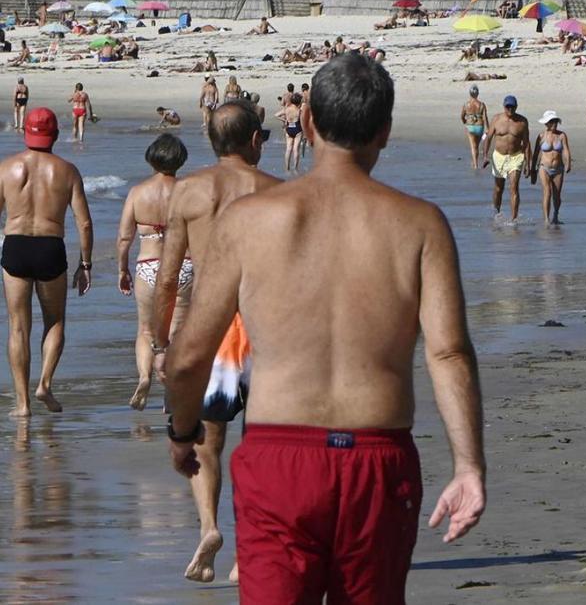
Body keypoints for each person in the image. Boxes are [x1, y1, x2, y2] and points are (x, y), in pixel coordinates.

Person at [162, 55, 485, 600]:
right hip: (378, 459)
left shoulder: (249, 221)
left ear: (307, 122)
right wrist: (468, 465)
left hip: (279, 460)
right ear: (385, 129)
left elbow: (190, 355)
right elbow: (449, 354)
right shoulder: (422, 224)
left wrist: (182, 431)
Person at [152, 100, 282, 583]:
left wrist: (160, 341)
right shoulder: (278, 192)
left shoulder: (188, 192)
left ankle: (209, 526)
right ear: (254, 141)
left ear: (211, 142)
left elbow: (168, 278)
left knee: (206, 439)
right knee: (262, 443)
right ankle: (249, 549)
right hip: (267, 324)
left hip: (214, 326)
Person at [0, 108, 93, 417]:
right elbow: (85, 225)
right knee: (55, 321)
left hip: (15, 247)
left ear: (26, 130)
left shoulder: (7, 168)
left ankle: (23, 404)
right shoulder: (67, 171)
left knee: (18, 327)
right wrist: (86, 265)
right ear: (53, 134)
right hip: (51, 248)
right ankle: (45, 384)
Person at [116, 134, 191, 411]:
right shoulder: (188, 191)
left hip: (148, 266)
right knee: (177, 331)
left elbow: (125, 238)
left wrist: (122, 269)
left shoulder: (138, 192)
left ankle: (146, 376)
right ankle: (171, 391)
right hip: (183, 264)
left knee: (146, 330)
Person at [481, 95, 532, 221]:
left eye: (512, 107)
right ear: (504, 107)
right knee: (499, 188)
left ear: (516, 107)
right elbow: (488, 138)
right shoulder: (496, 119)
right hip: (499, 156)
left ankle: (513, 219)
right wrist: (485, 156)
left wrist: (528, 163)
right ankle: (496, 212)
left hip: (516, 156)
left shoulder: (522, 122)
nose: (510, 109)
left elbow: (526, 143)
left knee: (514, 187)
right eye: (508, 107)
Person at [532, 110, 572, 225]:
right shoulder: (541, 136)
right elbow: (536, 154)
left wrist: (568, 162)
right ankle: (546, 219)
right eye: (552, 122)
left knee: (557, 195)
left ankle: (555, 216)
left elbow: (566, 150)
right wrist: (532, 170)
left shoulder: (561, 135)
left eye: (555, 121)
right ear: (546, 123)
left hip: (558, 169)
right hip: (544, 168)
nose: (554, 124)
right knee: (547, 192)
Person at [461, 85, 489, 170]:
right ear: (477, 94)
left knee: (473, 146)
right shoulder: (482, 105)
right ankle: (474, 163)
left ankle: (475, 165)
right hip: (479, 126)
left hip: (470, 126)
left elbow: (462, 116)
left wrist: (465, 122)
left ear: (470, 93)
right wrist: (488, 128)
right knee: (476, 145)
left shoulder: (466, 104)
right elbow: (485, 117)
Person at [275, 94, 304, 174]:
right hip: (297, 129)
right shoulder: (299, 111)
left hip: (289, 128)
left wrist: (284, 121)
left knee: (288, 149)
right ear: (299, 102)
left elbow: (276, 115)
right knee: (296, 149)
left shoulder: (287, 109)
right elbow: (303, 121)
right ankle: (295, 168)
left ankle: (287, 168)